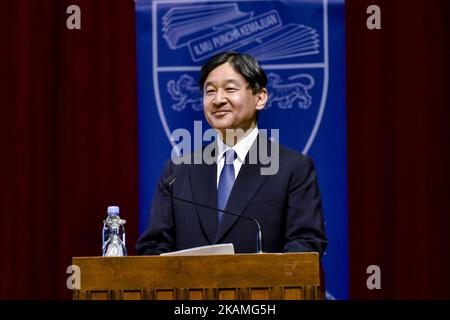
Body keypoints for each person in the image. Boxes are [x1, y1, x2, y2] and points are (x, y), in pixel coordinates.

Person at [136, 52, 327, 255]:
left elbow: (306, 244)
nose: (218, 100)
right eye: (210, 91)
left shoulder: (293, 168)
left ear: (260, 98)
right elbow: (152, 248)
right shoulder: (177, 171)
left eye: (230, 89)